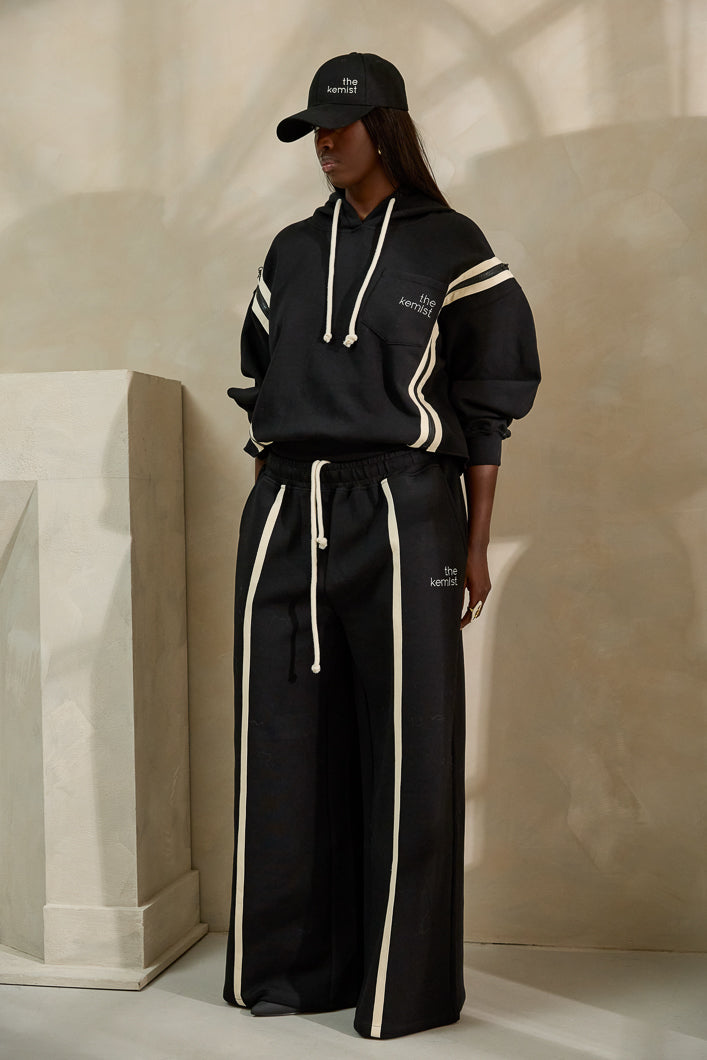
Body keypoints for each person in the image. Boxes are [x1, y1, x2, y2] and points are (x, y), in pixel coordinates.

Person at [223, 52, 540, 1040]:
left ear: (385, 127)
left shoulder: (450, 244)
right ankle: (288, 971)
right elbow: (263, 372)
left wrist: (475, 543)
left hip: (405, 507)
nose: (324, 143)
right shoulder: (289, 249)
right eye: (312, 129)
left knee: (409, 743)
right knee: (279, 739)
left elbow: (485, 406)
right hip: (286, 506)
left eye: (340, 126)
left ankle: (401, 988)